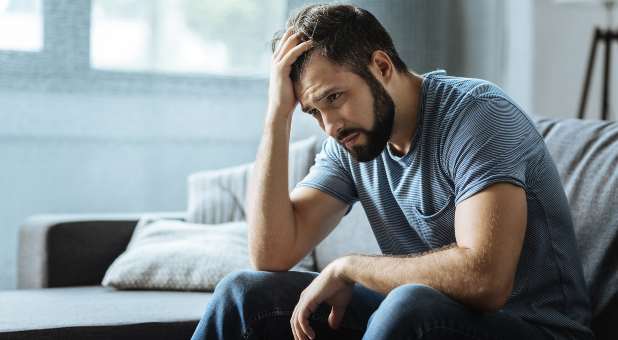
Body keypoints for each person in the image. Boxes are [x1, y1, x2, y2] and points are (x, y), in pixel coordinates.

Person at [191, 4, 593, 340]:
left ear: (381, 66)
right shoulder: (350, 140)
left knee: (408, 303)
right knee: (243, 293)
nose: (330, 126)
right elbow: (272, 253)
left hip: (537, 329)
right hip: (425, 319)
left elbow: (485, 280)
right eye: (314, 112)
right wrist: (276, 116)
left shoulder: (477, 115)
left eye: (335, 97)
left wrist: (350, 266)